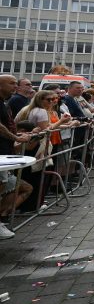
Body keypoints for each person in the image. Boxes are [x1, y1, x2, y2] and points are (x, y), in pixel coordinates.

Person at [0, 75, 33, 238]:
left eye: (15, 83)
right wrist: (16, 138)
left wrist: (15, 135)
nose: (15, 86)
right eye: (11, 83)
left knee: (19, 187)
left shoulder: (5, 103)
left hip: (6, 153)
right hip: (2, 155)